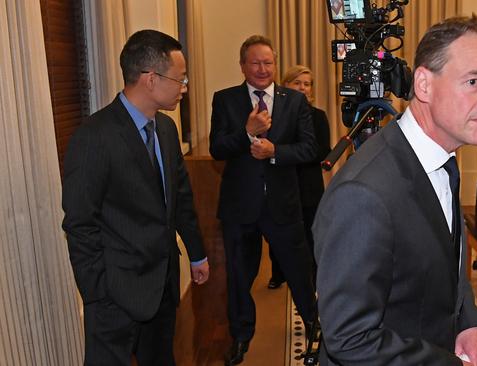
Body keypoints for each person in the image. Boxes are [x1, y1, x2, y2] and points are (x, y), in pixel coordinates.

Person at [313, 15, 477, 366]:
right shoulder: (363, 194)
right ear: (424, 85)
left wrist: (468, 322)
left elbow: (446, 264)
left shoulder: (443, 156)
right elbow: (349, 338)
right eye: (474, 81)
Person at [62, 29, 209, 365]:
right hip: (116, 296)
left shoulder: (167, 130)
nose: (184, 88)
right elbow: (79, 222)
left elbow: (180, 198)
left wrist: (197, 255)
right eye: (180, 78)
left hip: (163, 288)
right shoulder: (94, 136)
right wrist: (99, 295)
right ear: (151, 79)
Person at [209, 35, 317, 366]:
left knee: (300, 271)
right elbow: (217, 148)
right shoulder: (225, 100)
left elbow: (310, 148)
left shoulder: (294, 102)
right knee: (240, 276)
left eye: (268, 62)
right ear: (242, 65)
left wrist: (275, 152)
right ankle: (241, 335)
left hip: (283, 205)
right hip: (240, 207)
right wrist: (246, 133)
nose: (262, 69)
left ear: (275, 65)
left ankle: (314, 325)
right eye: (255, 62)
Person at [267, 65, 331, 289]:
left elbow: (321, 151)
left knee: (310, 235)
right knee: (278, 233)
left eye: (307, 83)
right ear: (286, 85)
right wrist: (296, 152)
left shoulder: (318, 116)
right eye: (297, 83)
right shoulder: (273, 116)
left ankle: (313, 279)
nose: (302, 88)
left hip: (309, 185)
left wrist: (287, 153)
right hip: (280, 183)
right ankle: (278, 274)